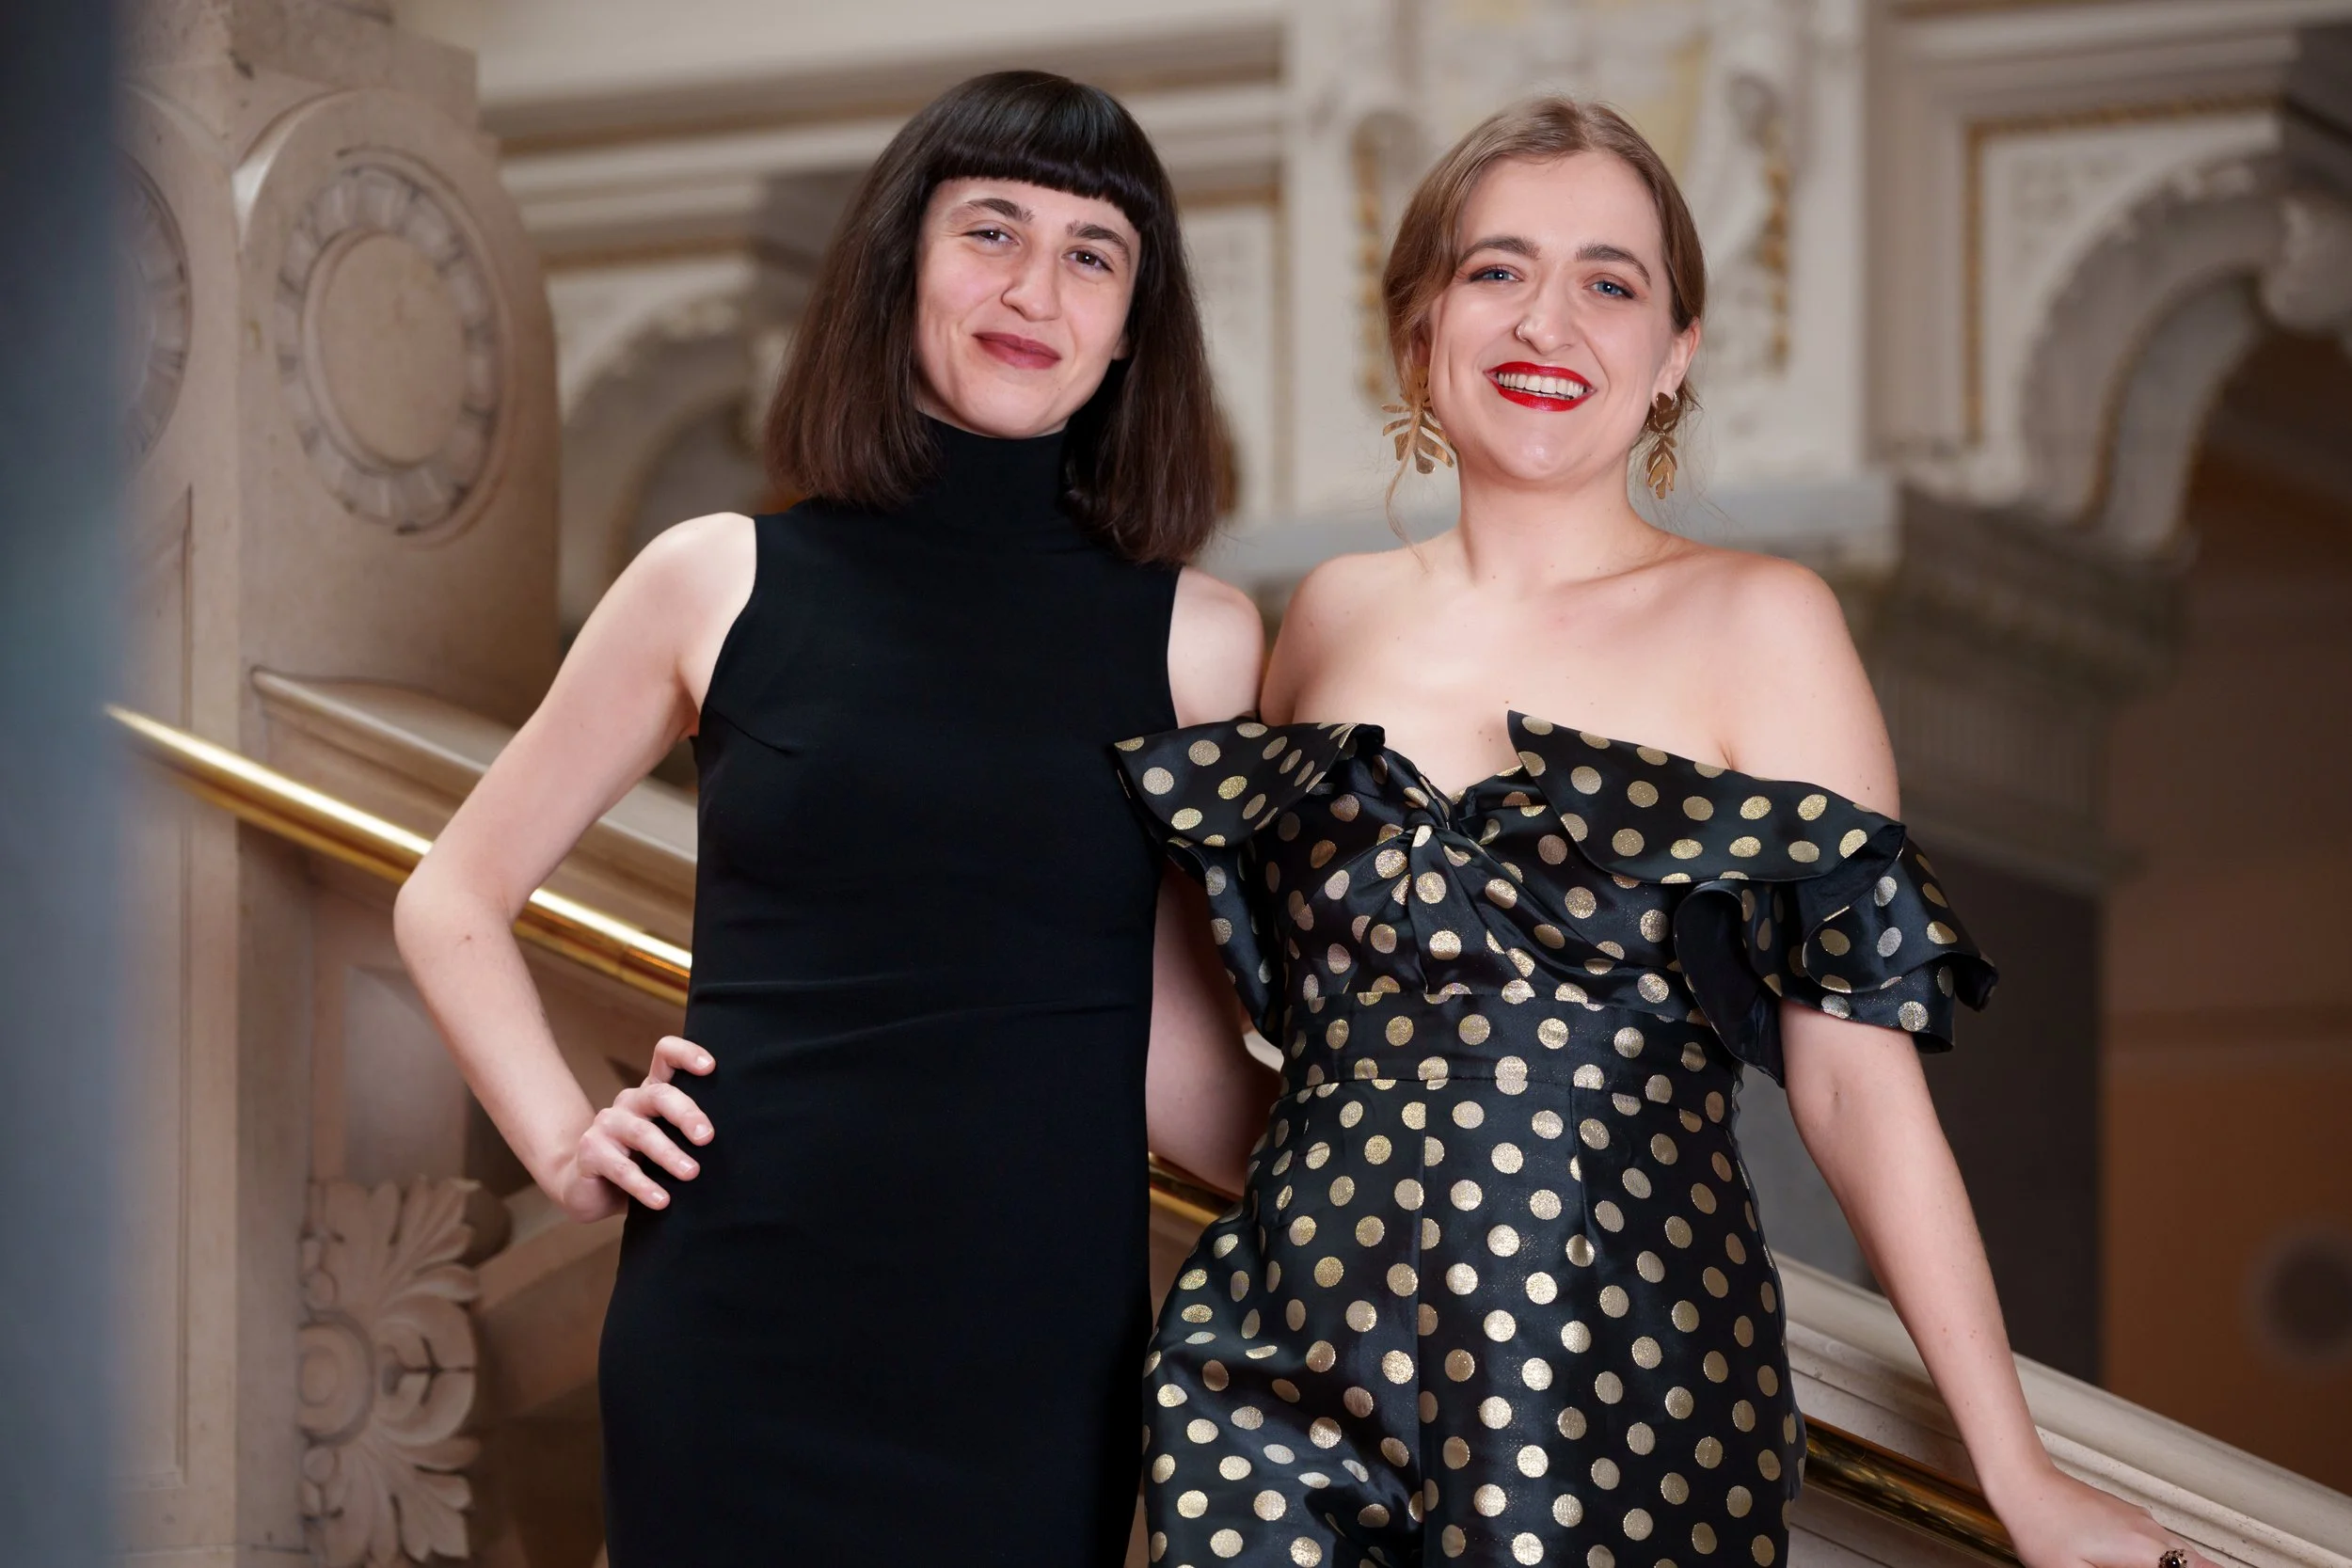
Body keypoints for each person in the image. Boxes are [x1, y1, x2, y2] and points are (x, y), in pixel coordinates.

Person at [1116, 98, 2216, 1568]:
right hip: (1281, 1354)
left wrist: (2013, 1472)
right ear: (1419, 330)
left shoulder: (1764, 625)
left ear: (1675, 356)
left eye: (1609, 281)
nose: (1547, 320)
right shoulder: (1326, 617)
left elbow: (1856, 1098)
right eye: (1496, 269)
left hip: (1614, 1374)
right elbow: (1213, 1026)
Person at [394, 71, 1274, 1566]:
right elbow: (452, 894)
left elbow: (1167, 1053)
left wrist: (1434, 1139)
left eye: (1090, 255)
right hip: (739, 1326)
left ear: (1132, 328)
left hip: (1029, 1358)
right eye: (989, 230)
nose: (1032, 288)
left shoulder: (1199, 641)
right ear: (900, 263)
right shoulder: (715, 577)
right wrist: (560, 1140)